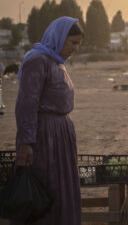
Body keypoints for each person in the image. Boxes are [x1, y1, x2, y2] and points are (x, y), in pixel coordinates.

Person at [14, 16, 83, 225]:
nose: (75, 49)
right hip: (44, 138)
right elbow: (27, 104)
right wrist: (26, 143)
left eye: (78, 44)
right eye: (73, 43)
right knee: (45, 188)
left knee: (61, 190)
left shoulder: (57, 62)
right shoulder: (37, 61)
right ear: (59, 37)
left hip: (60, 136)